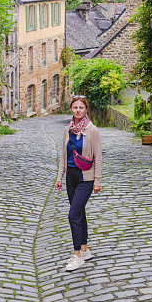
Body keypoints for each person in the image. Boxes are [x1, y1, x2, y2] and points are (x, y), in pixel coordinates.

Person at [55, 95, 102, 271]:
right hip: (71, 178)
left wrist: (97, 181)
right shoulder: (67, 130)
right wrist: (59, 177)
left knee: (73, 215)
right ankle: (85, 248)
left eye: (81, 108)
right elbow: (63, 156)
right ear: (71, 109)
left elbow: (98, 157)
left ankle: (77, 256)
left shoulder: (92, 130)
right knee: (80, 213)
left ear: (86, 109)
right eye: (75, 107)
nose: (78, 110)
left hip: (86, 178)